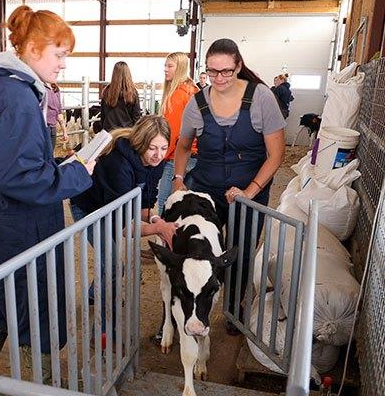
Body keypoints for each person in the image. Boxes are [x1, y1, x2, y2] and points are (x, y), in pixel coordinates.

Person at [0, 5, 96, 386]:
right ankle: (39, 387)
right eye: (60, 54)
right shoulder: (17, 98)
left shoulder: (4, 88)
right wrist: (73, 175)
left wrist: (56, 163)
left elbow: (11, 161)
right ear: (33, 49)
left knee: (0, 303)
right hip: (16, 228)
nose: (63, 65)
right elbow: (17, 177)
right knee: (31, 309)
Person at [173, 38, 285, 335]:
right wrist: (178, 181)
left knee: (240, 249)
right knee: (197, 246)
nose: (219, 78)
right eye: (212, 72)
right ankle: (190, 308)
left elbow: (276, 154)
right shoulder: (197, 102)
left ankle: (235, 310)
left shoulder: (261, 97)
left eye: (226, 72)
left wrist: (250, 191)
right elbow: (183, 146)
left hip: (250, 188)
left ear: (238, 67)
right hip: (207, 187)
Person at [70, 115, 177, 337]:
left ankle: (94, 294)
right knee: (112, 265)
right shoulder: (119, 166)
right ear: (140, 144)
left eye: (164, 148)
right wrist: (159, 229)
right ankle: (102, 331)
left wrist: (157, 220)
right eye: (152, 148)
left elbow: (146, 201)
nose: (158, 154)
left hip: (112, 209)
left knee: (110, 261)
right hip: (89, 208)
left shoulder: (157, 162)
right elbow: (126, 226)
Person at [156, 52, 198, 216]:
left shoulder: (177, 94)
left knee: (165, 204)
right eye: (165, 66)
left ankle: (163, 238)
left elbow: (172, 132)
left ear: (180, 68)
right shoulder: (194, 90)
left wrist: (161, 156)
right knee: (185, 204)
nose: (165, 70)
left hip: (176, 158)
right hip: (194, 157)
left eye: (170, 66)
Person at [100, 61, 142, 131]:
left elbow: (103, 116)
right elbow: (136, 117)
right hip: (126, 133)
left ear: (114, 74)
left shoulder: (106, 91)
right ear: (128, 74)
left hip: (109, 133)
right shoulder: (133, 92)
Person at [46, 83, 68, 149]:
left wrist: (65, 132)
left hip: (53, 127)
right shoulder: (39, 87)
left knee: (50, 152)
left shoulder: (56, 89)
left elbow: (58, 111)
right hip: (42, 127)